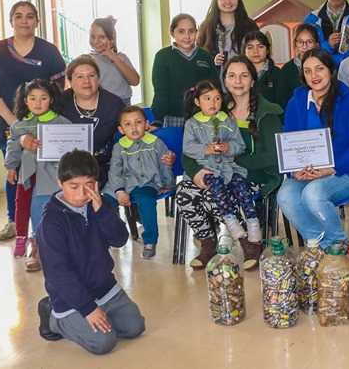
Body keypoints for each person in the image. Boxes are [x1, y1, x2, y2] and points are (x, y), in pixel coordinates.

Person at [36, 150, 145, 355]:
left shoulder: (99, 205)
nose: (81, 194)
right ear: (60, 183)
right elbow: (58, 274)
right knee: (103, 343)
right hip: (70, 298)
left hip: (103, 288)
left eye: (89, 185)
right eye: (73, 186)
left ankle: (94, 318)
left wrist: (102, 211)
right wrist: (88, 309)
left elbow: (120, 239)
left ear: (96, 184)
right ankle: (52, 317)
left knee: (135, 327)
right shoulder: (51, 223)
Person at [178, 57, 283, 269]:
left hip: (253, 175)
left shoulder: (267, 111)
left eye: (244, 75)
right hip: (215, 170)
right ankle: (208, 242)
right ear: (224, 80)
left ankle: (249, 243)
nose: (238, 81)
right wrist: (196, 172)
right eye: (232, 75)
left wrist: (231, 159)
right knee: (184, 192)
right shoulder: (214, 106)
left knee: (216, 194)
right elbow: (188, 151)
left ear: (253, 80)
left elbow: (273, 156)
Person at [0, 1, 65, 242]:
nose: (24, 21)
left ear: (37, 21)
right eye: (18, 16)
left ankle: (45, 222)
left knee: (43, 172)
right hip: (7, 121)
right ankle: (14, 221)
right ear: (11, 21)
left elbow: (58, 88)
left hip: (44, 125)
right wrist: (14, 123)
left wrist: (44, 120)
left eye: (30, 16)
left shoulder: (49, 51)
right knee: (14, 171)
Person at [276, 49, 349, 248]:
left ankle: (337, 245)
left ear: (331, 70)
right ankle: (323, 244)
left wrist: (332, 168)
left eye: (319, 69)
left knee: (313, 194)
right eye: (308, 71)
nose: (314, 75)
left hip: (348, 170)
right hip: (308, 172)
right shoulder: (296, 102)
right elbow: (289, 142)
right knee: (285, 196)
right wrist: (294, 170)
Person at [182, 80, 263, 254]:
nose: (213, 102)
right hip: (206, 169)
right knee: (216, 188)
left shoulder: (227, 120)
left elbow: (240, 145)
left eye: (217, 98)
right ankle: (231, 224)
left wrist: (228, 147)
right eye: (207, 98)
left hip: (229, 168)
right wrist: (205, 149)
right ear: (197, 102)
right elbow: (187, 148)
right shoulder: (192, 124)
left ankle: (253, 222)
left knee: (241, 186)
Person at [4, 79, 71, 271]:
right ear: (25, 101)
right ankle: (37, 247)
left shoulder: (62, 122)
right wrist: (11, 167)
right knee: (35, 210)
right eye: (32, 98)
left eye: (43, 98)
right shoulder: (19, 125)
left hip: (54, 176)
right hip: (29, 178)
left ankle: (61, 246)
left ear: (51, 100)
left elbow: (71, 147)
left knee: (56, 211)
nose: (38, 103)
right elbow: (12, 146)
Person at [103, 106, 175, 259]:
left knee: (146, 200)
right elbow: (115, 171)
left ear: (146, 124)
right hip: (121, 185)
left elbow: (165, 164)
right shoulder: (119, 147)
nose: (134, 127)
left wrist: (167, 184)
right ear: (121, 129)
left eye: (138, 122)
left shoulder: (156, 143)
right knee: (105, 203)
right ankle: (110, 235)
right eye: (128, 124)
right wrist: (119, 191)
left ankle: (150, 240)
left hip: (146, 183)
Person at [58, 56, 125, 190]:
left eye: (91, 75)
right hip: (66, 166)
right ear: (70, 81)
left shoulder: (114, 104)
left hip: (103, 166)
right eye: (80, 77)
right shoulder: (59, 102)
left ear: (98, 79)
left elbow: (127, 128)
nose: (86, 81)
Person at [150, 13, 217, 127]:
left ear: (196, 32)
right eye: (181, 31)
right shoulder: (163, 56)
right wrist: (158, 119)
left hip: (203, 117)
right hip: (173, 118)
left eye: (191, 31)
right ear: (172, 33)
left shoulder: (205, 56)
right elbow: (160, 92)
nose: (187, 36)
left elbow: (214, 87)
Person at [197, 0, 259, 73]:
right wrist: (213, 61)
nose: (228, 2)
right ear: (216, 0)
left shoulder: (250, 25)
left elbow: (258, 51)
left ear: (238, 0)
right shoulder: (206, 26)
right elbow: (199, 56)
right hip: (214, 77)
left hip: (244, 76)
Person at [87, 16, 140, 105]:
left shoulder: (121, 58)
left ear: (111, 40)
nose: (96, 41)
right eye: (92, 36)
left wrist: (114, 57)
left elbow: (135, 81)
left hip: (123, 103)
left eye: (102, 37)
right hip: (100, 104)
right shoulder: (87, 60)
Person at [274, 23, 320, 109]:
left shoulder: (324, 66)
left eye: (309, 42)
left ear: (317, 44)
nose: (304, 46)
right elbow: (282, 101)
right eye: (300, 42)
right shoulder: (287, 69)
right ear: (295, 44)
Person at [242, 30, 280, 106]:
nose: (255, 51)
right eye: (250, 47)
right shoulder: (238, 74)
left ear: (268, 50)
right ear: (244, 51)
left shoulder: (277, 73)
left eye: (260, 47)